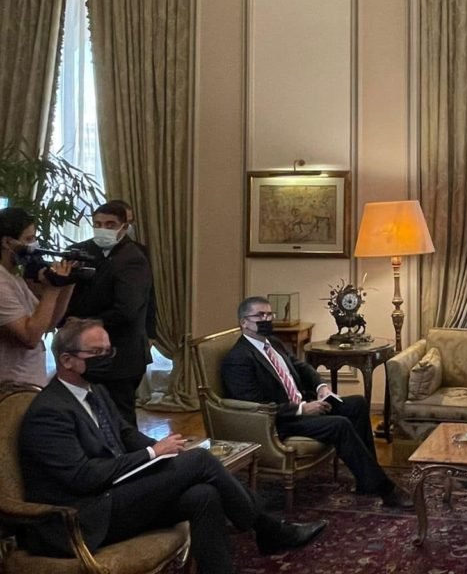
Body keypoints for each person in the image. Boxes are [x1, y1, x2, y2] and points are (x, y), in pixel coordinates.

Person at [18, 319, 326, 572]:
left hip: (111, 496)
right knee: (200, 461)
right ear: (67, 360)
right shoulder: (50, 412)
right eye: (96, 353)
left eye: (109, 351)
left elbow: (126, 435)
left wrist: (166, 451)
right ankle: (269, 529)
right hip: (80, 518)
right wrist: (153, 454)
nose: (107, 359)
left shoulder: (95, 390)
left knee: (203, 495)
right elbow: (83, 477)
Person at [221, 296, 412, 508]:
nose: (266, 319)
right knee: (340, 424)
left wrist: (321, 387)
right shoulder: (238, 359)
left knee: (357, 404)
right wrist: (302, 409)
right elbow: (256, 407)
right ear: (244, 322)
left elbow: (302, 367)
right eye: (260, 316)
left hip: (302, 404)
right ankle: (385, 489)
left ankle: (366, 480)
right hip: (278, 421)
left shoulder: (273, 343)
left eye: (269, 314)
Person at [64, 202, 152, 425]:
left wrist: (83, 323)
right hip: (84, 353)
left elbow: (127, 309)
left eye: (110, 224)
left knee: (120, 419)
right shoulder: (80, 251)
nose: (103, 229)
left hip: (120, 354)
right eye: (98, 224)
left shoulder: (133, 258)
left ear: (124, 226)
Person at [0, 207, 76, 386]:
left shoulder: (14, 278)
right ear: (7, 242)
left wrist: (67, 284)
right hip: (11, 388)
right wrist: (51, 290)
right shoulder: (1, 282)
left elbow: (47, 324)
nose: (34, 245)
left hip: (28, 384)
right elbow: (30, 337)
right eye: (28, 239)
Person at [106, 199, 159, 355]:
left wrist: (151, 332)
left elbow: (149, 294)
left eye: (129, 222)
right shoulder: (88, 251)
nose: (127, 227)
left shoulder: (139, 252)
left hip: (133, 334)